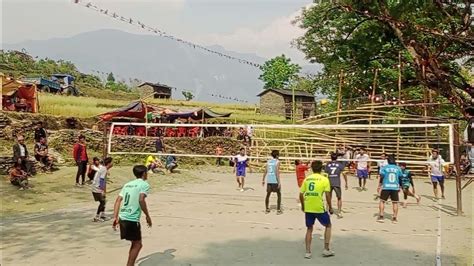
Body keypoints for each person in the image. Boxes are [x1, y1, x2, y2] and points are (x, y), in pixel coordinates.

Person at [112, 165, 152, 266]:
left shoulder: (127, 184)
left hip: (122, 216)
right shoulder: (144, 184)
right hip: (132, 218)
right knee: (138, 244)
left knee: (134, 243)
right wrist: (147, 215)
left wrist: (115, 217)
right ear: (144, 174)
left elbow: (118, 200)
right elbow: (141, 199)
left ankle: (131, 263)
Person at [300, 161, 334, 258]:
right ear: (321, 169)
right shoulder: (324, 179)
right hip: (318, 207)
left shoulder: (307, 179)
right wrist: (330, 206)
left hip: (309, 206)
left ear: (312, 169)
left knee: (309, 228)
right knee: (328, 225)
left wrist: (303, 206)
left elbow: (301, 194)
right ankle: (326, 249)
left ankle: (308, 252)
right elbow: (327, 195)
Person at [377, 154, 403, 223]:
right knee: (395, 203)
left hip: (386, 186)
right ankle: (394, 218)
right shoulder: (398, 168)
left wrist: (379, 186)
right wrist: (400, 186)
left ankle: (381, 216)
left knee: (382, 201)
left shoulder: (384, 168)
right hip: (395, 187)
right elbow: (400, 178)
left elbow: (382, 177)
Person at [324, 153, 347, 218]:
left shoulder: (328, 165)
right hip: (336, 183)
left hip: (329, 183)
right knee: (339, 198)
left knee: (329, 197)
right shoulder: (340, 164)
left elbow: (325, 174)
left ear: (331, 158)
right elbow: (344, 174)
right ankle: (339, 212)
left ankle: (327, 211)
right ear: (337, 158)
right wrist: (346, 182)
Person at [92, 157, 113, 222]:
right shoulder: (104, 169)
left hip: (97, 187)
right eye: (112, 162)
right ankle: (97, 217)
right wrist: (102, 190)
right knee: (103, 202)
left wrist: (104, 190)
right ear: (109, 163)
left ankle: (102, 215)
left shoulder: (104, 169)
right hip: (97, 188)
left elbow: (103, 181)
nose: (113, 164)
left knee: (104, 201)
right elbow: (101, 180)